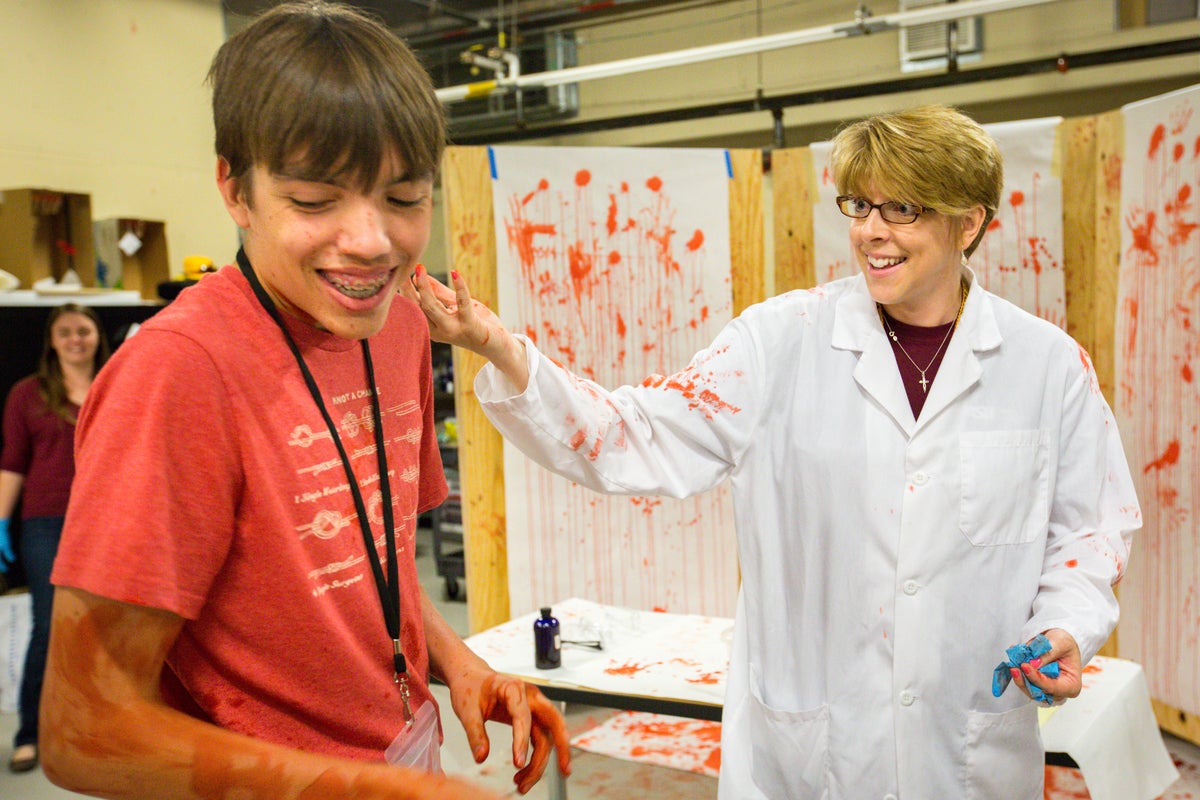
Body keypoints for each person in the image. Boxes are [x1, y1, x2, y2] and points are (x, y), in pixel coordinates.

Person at [406, 104, 1141, 798]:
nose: (872, 232)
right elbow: (632, 434)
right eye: (859, 205)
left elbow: (1088, 531)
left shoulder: (1046, 367)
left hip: (969, 748)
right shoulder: (779, 344)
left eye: (904, 209)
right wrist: (496, 346)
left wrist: (1063, 629)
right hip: (812, 751)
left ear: (971, 222)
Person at [40, 4, 569, 799]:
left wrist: (458, 664)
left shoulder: (396, 324)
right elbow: (82, 730)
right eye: (316, 201)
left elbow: (367, 559)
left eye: (404, 197)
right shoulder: (178, 374)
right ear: (235, 188)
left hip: (399, 746)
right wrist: (366, 788)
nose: (370, 242)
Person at [0, 303, 109, 774]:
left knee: (104, 628)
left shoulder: (116, 382)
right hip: (47, 523)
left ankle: (97, 730)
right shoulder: (28, 394)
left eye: (83, 330)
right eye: (65, 332)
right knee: (50, 627)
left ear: (96, 336)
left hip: (109, 521)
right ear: (51, 339)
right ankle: (30, 733)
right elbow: (11, 462)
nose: (75, 339)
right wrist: (0, 521)